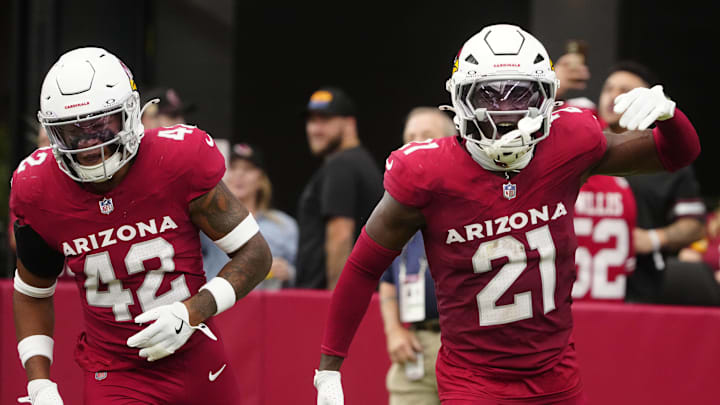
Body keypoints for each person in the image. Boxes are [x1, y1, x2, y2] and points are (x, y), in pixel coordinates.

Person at [313, 23, 700, 404]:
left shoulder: (569, 144)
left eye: (519, 95)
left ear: (547, 97)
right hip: (473, 381)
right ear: (460, 98)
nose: (504, 112)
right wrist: (329, 367)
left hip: (556, 375)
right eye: (489, 96)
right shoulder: (427, 174)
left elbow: (677, 153)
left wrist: (670, 117)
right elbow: (363, 267)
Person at [11, 47, 271, 404]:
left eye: (101, 125)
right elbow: (31, 292)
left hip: (195, 358)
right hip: (115, 372)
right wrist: (39, 383)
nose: (88, 144)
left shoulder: (177, 160)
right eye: (73, 131)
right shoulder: (39, 189)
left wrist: (191, 311)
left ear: (129, 113)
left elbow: (255, 254)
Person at [596, 61, 705, 303]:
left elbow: (695, 225)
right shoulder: (581, 145)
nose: (613, 96)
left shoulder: (667, 157)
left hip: (639, 288)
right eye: (608, 88)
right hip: (576, 287)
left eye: (624, 91)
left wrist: (653, 238)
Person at [379, 107, 454, 405]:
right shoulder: (396, 206)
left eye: (426, 136)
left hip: (470, 345)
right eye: (409, 137)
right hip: (417, 343)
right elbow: (386, 277)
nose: (416, 143)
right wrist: (393, 330)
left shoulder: (472, 199)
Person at [295, 87, 383, 290]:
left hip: (324, 295)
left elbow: (340, 236)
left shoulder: (341, 165)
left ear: (349, 123)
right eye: (311, 121)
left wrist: (334, 302)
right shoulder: (358, 162)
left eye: (324, 120)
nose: (314, 129)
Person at [139, 87, 230, 281]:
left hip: (190, 298)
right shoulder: (118, 174)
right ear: (145, 120)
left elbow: (221, 250)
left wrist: (210, 296)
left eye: (181, 116)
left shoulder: (188, 172)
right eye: (171, 116)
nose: (181, 124)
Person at [224, 143, 299, 289]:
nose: (239, 174)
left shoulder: (283, 225)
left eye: (248, 169)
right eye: (233, 168)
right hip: (219, 308)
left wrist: (287, 272)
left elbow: (301, 273)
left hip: (266, 307)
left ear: (261, 179)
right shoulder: (205, 224)